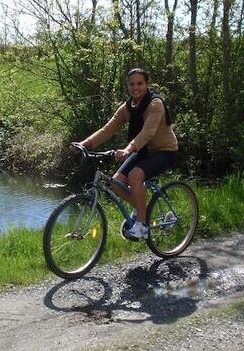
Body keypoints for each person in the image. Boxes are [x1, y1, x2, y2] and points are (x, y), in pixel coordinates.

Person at [72, 68, 178, 239]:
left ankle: (142, 226)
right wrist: (83, 144)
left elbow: (148, 133)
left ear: (147, 84)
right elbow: (107, 130)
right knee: (116, 183)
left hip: (165, 151)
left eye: (140, 83)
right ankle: (143, 211)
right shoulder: (128, 107)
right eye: (132, 84)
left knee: (135, 176)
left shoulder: (155, 104)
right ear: (128, 86)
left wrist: (128, 149)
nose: (135, 88)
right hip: (143, 151)